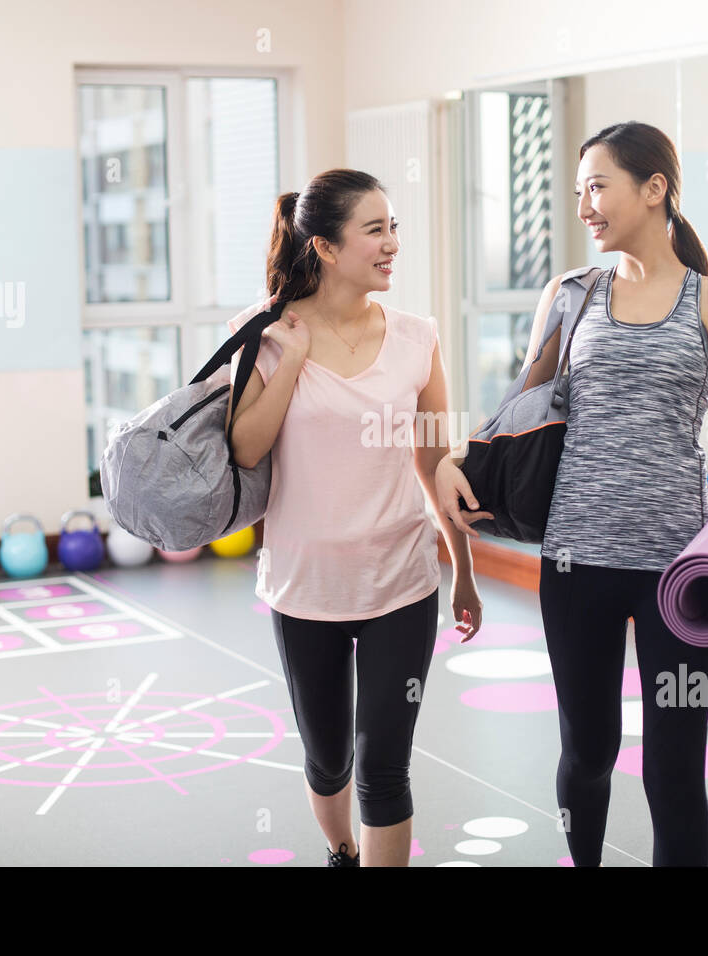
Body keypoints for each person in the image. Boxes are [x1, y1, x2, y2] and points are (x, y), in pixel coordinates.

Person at [435, 122, 708, 867]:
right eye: (579, 191)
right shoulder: (572, 295)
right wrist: (453, 457)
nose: (585, 206)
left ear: (655, 188)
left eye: (597, 186)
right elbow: (523, 407)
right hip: (579, 564)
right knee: (588, 755)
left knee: (675, 768)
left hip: (681, 571)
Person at [224, 168, 484, 867]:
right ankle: (342, 852)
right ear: (327, 248)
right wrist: (294, 355)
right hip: (304, 587)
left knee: (384, 767)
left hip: (401, 582)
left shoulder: (416, 337)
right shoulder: (267, 334)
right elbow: (246, 445)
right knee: (329, 758)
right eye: (376, 229)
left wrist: (462, 571)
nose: (393, 242)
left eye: (394, 226)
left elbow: (437, 467)